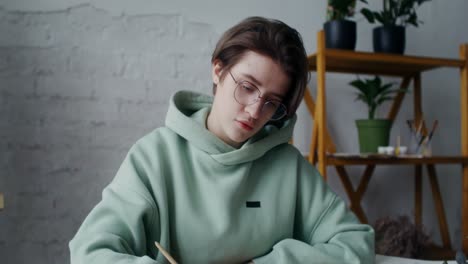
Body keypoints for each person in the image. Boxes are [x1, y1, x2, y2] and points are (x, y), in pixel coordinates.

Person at [69, 16, 375, 263]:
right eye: (247, 86)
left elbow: (355, 243)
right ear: (218, 70)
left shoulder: (288, 166)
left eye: (272, 102)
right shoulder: (154, 156)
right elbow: (90, 252)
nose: (255, 111)